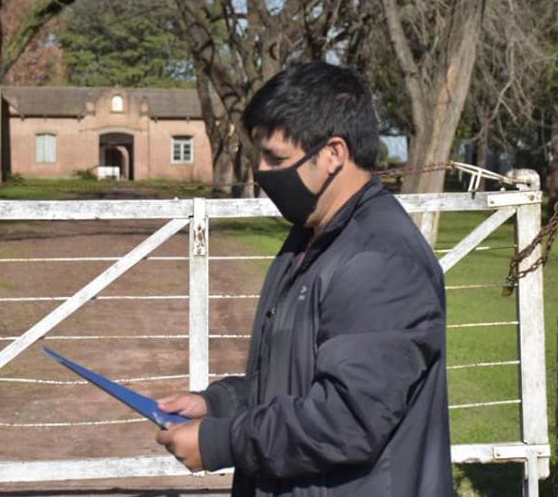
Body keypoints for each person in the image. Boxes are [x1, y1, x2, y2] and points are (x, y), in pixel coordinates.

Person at [155, 62, 452, 496]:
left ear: (333, 154)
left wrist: (223, 441)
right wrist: (217, 404)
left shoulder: (379, 261)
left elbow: (346, 420)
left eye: (276, 158)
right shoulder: (309, 239)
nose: (261, 170)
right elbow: (292, 378)